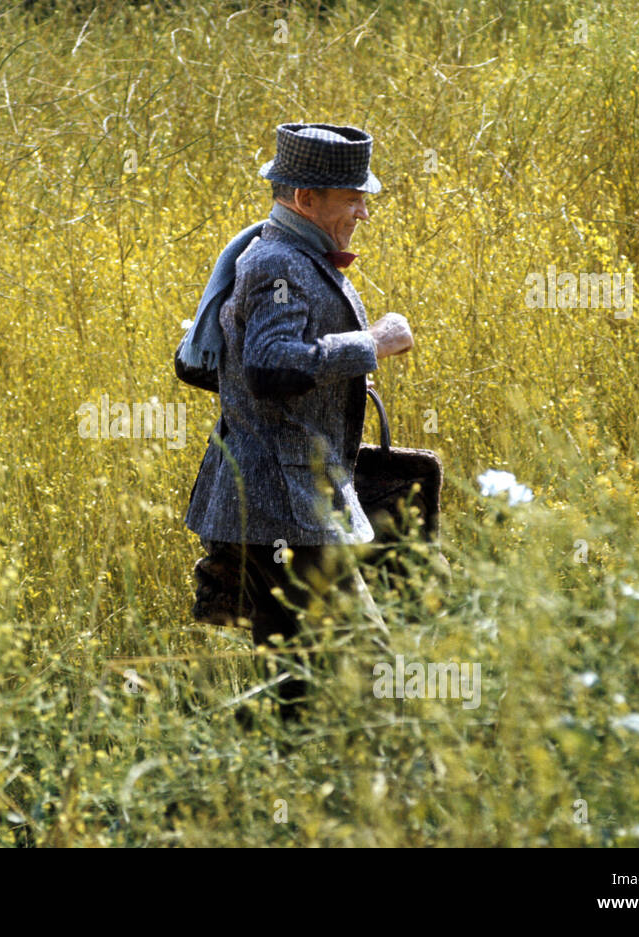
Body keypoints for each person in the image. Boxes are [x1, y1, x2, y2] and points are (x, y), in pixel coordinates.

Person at [182, 123, 414, 721]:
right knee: (370, 661)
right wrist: (373, 344)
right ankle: (400, 775)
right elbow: (271, 367)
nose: (364, 211)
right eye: (352, 197)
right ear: (306, 199)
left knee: (292, 674)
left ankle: (283, 782)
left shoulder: (296, 254)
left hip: (280, 500)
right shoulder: (278, 263)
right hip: (283, 503)